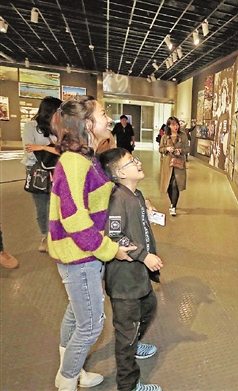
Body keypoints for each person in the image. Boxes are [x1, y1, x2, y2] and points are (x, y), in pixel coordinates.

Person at [48, 96, 136, 391]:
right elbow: (74, 220)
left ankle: (70, 372)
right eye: (103, 113)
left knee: (76, 314)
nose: (108, 119)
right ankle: (67, 381)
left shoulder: (85, 158)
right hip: (80, 257)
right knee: (90, 325)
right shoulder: (74, 162)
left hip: (85, 254)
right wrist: (111, 250)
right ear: (87, 124)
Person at [98, 148, 163, 391]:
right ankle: (128, 385)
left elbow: (137, 218)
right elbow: (115, 236)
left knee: (149, 307)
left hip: (138, 276)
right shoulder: (117, 200)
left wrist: (147, 209)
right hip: (124, 281)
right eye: (131, 161)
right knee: (125, 334)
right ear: (120, 173)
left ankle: (134, 343)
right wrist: (144, 256)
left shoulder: (136, 195)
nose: (138, 163)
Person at [21, 96, 62, 252]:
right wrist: (50, 149)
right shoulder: (31, 127)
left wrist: (42, 148)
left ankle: (55, 236)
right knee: (41, 206)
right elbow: (29, 152)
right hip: (37, 171)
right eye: (58, 110)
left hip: (57, 170)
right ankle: (45, 236)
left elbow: (63, 150)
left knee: (56, 204)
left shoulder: (58, 127)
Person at [159, 117, 189, 216]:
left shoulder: (183, 136)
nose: (176, 126)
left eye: (177, 124)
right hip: (167, 164)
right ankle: (172, 202)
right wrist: (167, 149)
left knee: (176, 184)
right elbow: (160, 149)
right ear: (168, 126)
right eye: (173, 125)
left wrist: (181, 151)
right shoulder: (165, 137)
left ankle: (173, 206)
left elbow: (187, 149)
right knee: (168, 185)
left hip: (179, 163)